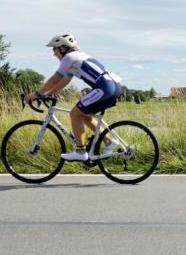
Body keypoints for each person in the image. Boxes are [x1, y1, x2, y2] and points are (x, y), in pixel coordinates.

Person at [25, 33, 124, 161]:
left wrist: (36, 94)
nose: (53, 53)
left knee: (74, 114)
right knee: (85, 116)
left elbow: (55, 79)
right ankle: (109, 142)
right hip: (113, 87)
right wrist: (47, 94)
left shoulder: (69, 57)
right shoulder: (79, 57)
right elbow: (65, 80)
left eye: (54, 49)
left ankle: (80, 151)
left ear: (62, 48)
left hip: (104, 88)